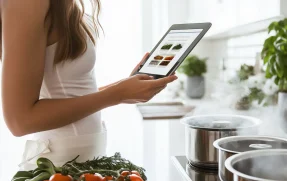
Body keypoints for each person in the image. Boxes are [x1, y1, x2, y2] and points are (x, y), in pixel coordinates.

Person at [0, 0, 177, 169]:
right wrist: (118, 94)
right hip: (57, 168)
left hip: (84, 161)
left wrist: (124, 88)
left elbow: (68, 94)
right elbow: (20, 121)